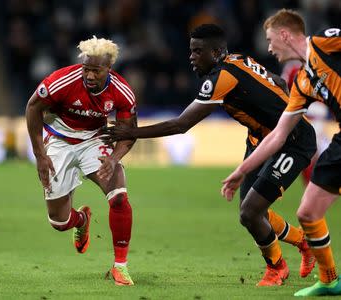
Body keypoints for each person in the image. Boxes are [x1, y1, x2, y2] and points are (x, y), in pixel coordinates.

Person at [103, 24, 316, 286]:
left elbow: (180, 125)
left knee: (250, 212)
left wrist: (129, 132)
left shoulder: (221, 78)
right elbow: (280, 81)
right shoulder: (239, 58)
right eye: (191, 51)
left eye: (197, 52)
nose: (191, 57)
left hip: (294, 141)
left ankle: (277, 268)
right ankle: (303, 243)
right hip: (260, 139)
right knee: (250, 212)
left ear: (216, 52)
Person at [222, 9, 341, 296]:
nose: (269, 47)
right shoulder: (302, 83)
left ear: (285, 34)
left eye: (270, 39)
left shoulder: (325, 42)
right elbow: (277, 136)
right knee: (308, 213)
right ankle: (329, 280)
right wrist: (241, 170)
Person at [26, 36, 137, 286]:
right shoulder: (61, 80)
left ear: (108, 68)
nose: (89, 75)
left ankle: (121, 266)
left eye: (96, 71)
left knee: (119, 195)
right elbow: (32, 107)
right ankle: (81, 220)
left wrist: (115, 158)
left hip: (94, 140)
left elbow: (130, 131)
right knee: (59, 222)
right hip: (59, 140)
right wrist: (40, 156)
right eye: (86, 69)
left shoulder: (122, 91)